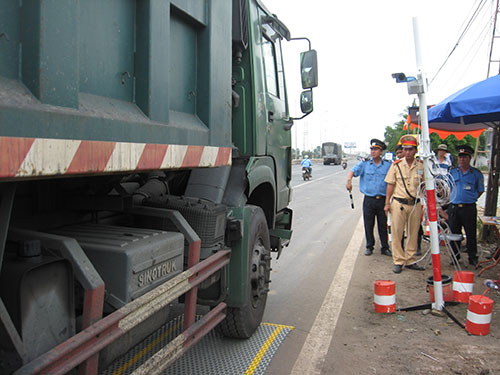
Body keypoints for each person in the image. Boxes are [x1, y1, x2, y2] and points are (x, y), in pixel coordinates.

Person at [384, 135, 424, 273]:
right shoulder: (396, 166)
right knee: (397, 233)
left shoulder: (421, 166)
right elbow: (390, 184)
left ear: (415, 150)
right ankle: (398, 260)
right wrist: (387, 203)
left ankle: (410, 260)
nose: (407, 152)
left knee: (413, 233)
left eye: (410, 149)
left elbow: (424, 186)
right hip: (398, 203)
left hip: (415, 204)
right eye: (405, 149)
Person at [346, 139, 392, 257]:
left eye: (376, 149)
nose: (373, 151)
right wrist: (349, 181)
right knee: (368, 224)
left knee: (383, 224)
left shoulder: (388, 165)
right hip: (369, 200)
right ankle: (369, 246)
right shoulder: (365, 164)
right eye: (371, 149)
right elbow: (352, 171)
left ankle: (385, 247)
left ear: (381, 151)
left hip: (382, 199)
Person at [448, 144, 484, 266]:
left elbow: (480, 190)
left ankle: (472, 257)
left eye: (465, 157)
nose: (462, 159)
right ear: (458, 158)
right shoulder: (452, 172)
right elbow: (447, 188)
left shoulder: (476, 174)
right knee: (454, 233)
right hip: (454, 207)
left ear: (469, 158)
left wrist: (470, 198)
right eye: (460, 157)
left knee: (471, 234)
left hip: (469, 208)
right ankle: (454, 256)